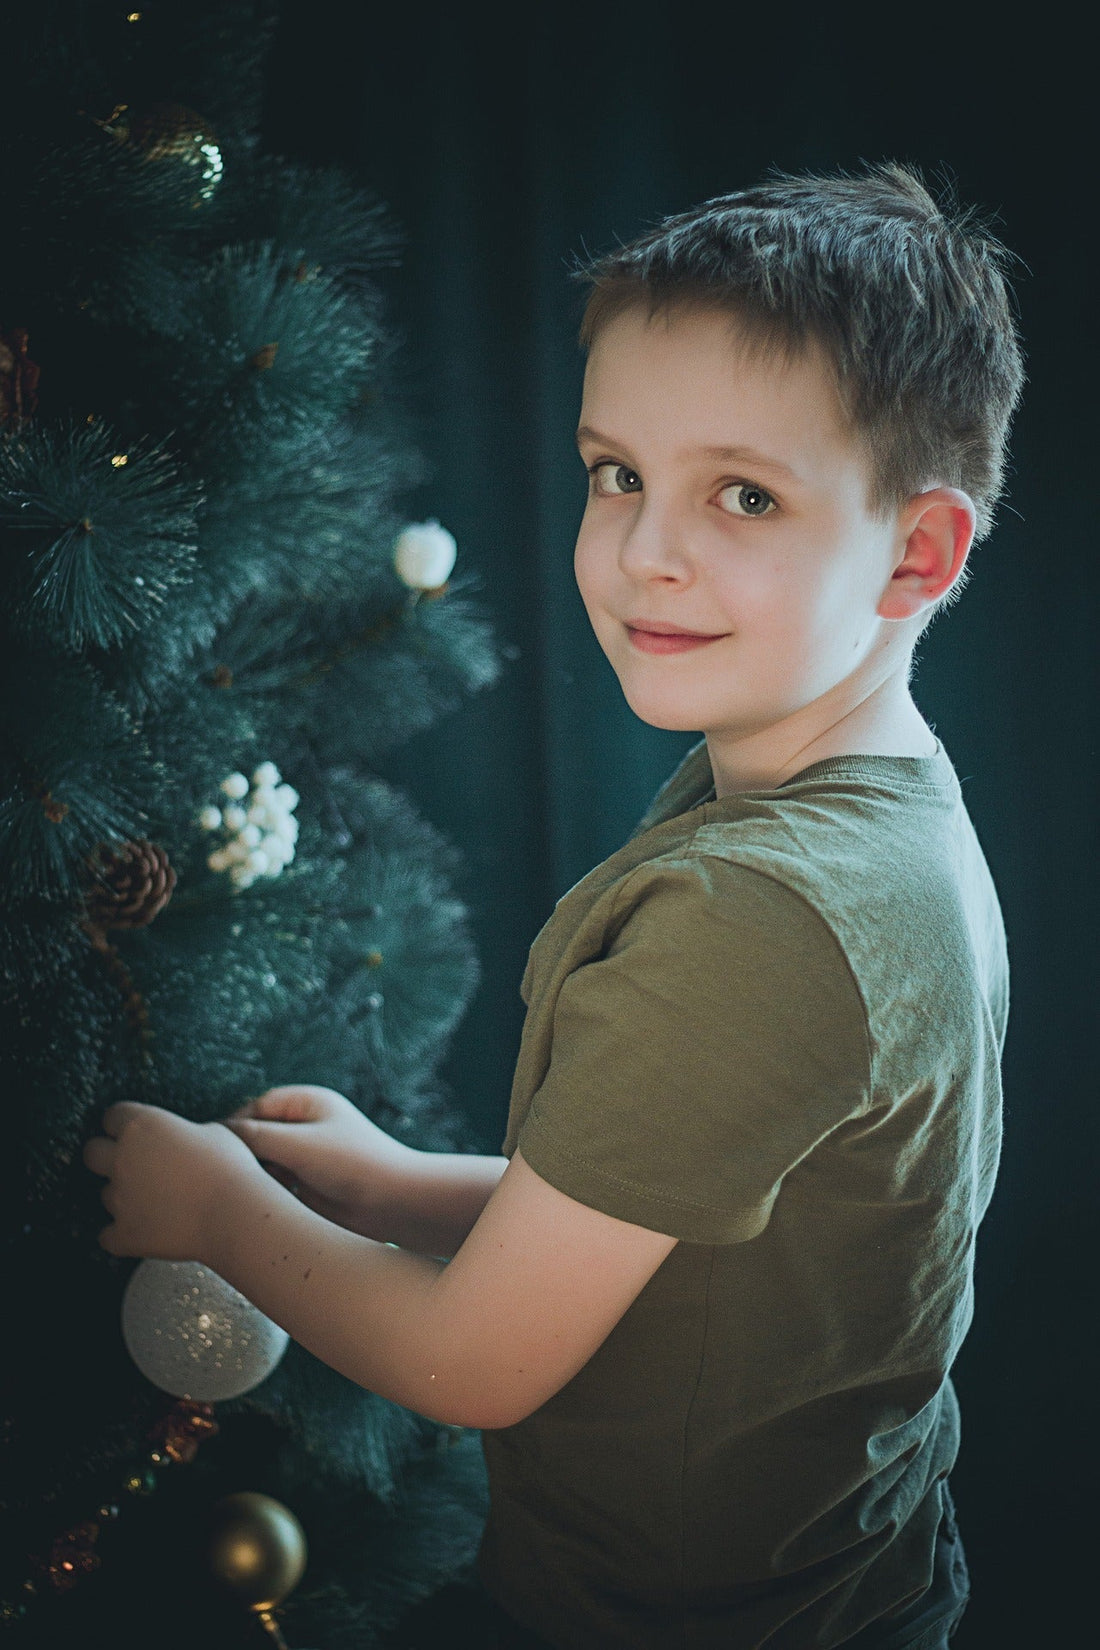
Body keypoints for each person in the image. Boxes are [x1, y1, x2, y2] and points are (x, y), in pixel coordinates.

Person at [83, 161, 1023, 1649]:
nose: (647, 548)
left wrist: (219, 1207)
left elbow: (473, 1364)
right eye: (617, 471)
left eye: (745, 493)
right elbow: (709, 1229)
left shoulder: (763, 915)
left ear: (918, 551)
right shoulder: (877, 810)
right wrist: (400, 1183)